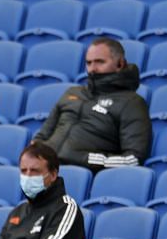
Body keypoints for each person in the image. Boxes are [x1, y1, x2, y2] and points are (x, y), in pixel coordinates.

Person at [32, 37, 152, 173]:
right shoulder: (72, 93)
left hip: (82, 175)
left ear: (120, 64)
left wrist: (85, 158)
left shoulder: (132, 103)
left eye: (100, 62)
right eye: (88, 63)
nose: (92, 69)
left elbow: (134, 159)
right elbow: (41, 136)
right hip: (45, 170)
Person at [0, 143, 87, 239]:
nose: (28, 176)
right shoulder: (17, 211)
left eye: (35, 171)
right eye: (24, 171)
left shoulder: (65, 208)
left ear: (53, 175)